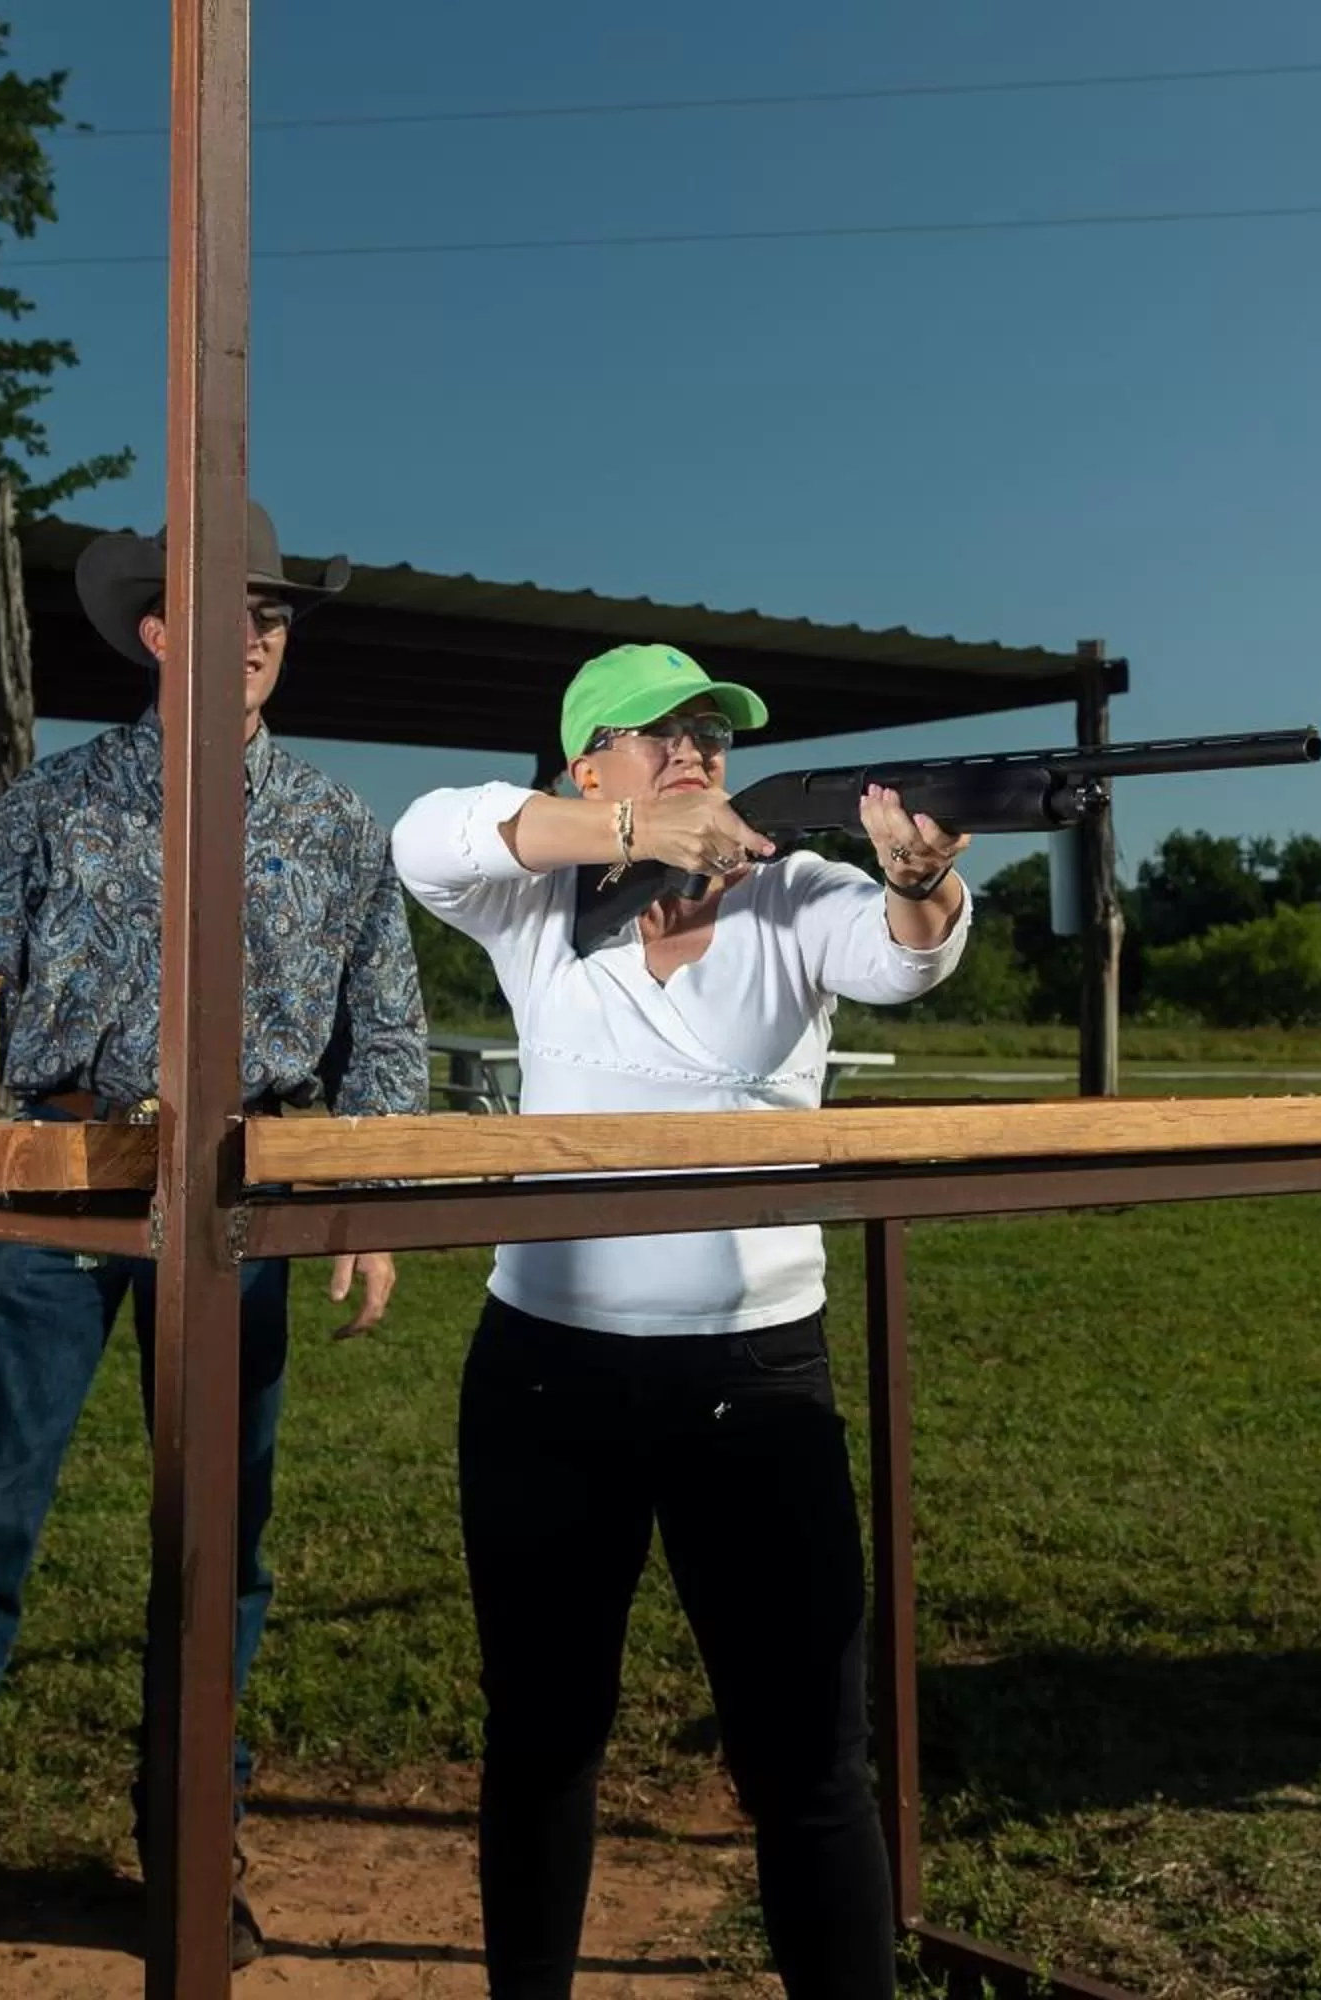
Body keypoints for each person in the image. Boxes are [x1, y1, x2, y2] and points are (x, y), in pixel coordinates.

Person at [0, 501, 430, 1998]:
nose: (252, 638)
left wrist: (362, 1199)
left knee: (218, 1552)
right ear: (157, 633)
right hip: (55, 1188)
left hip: (238, 1204)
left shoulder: (338, 827)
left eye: (274, 618)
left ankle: (191, 1857)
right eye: (222, 612)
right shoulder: (53, 804)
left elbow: (387, 1034)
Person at [389, 642, 972, 1998]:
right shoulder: (542, 907)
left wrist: (925, 881)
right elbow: (424, 839)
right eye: (660, 735)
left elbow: (901, 960)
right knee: (541, 1735)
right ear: (590, 766)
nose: (699, 751)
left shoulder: (797, 894)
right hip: (548, 1378)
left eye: (712, 732)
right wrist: (629, 833)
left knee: (808, 1765)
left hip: (756, 1383)